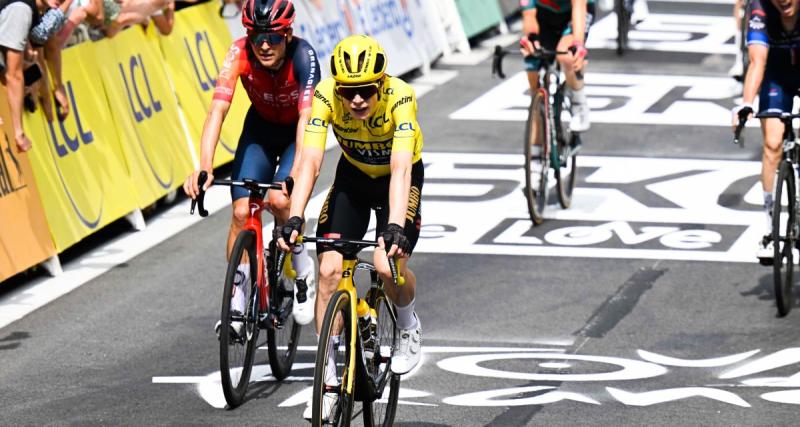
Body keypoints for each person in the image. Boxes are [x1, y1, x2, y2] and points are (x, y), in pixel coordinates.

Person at [276, 35, 424, 421]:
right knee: (327, 270)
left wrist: (393, 226)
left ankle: (407, 324)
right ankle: (326, 382)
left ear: (381, 84)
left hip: (398, 180)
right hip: (353, 179)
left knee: (385, 264)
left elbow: (401, 168)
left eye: (365, 91)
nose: (357, 100)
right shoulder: (325, 96)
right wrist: (295, 215)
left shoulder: (401, 96)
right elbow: (309, 160)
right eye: (349, 92)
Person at [182, 0, 319, 333]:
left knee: (280, 201)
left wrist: (293, 174)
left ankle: (302, 270)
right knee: (242, 212)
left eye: (272, 37)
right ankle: (239, 300)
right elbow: (217, 111)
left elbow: (306, 120)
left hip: (293, 136)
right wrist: (204, 167)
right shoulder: (239, 52)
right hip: (259, 130)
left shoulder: (304, 56)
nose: (265, 46)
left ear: (287, 34)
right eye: (257, 37)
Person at [731, 0, 800, 262]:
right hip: (777, 76)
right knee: (772, 144)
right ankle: (771, 230)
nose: (783, 1)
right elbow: (757, 61)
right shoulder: (759, 8)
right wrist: (746, 103)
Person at [519, 0, 594, 133]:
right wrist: (531, 38)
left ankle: (579, 102)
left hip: (573, 13)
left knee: (567, 56)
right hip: (543, 13)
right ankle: (536, 143)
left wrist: (578, 43)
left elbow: (579, 6)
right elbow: (529, 15)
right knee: (533, 61)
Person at [0, 0, 64, 153]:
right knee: (18, 74)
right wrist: (18, 132)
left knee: (28, 69)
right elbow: (13, 76)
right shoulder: (22, 10)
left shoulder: (32, 10)